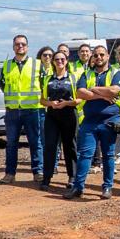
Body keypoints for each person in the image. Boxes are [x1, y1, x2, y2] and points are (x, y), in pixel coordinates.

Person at [68, 44, 120, 200]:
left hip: (109, 121)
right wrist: (102, 95)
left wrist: (92, 89)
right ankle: (78, 188)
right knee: (85, 154)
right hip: (90, 121)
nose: (99, 57)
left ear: (107, 56)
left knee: (108, 155)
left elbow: (114, 90)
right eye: (96, 55)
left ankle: (107, 187)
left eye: (102, 55)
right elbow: (80, 93)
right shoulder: (86, 73)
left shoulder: (116, 73)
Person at [1, 35, 44, 184]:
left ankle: (38, 172)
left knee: (35, 142)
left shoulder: (37, 64)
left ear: (27, 47)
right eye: (17, 44)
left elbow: (43, 84)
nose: (20, 46)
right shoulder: (7, 65)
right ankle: (10, 174)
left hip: (32, 110)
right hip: (12, 110)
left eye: (23, 44)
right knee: (11, 144)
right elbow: (2, 85)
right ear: (13, 47)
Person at [40, 50, 79, 191]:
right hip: (52, 115)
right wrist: (51, 104)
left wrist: (66, 103)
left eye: (62, 59)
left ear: (67, 61)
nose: (59, 61)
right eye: (57, 59)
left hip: (69, 114)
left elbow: (80, 99)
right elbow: (42, 100)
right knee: (50, 146)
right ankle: (46, 178)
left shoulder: (74, 78)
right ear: (53, 62)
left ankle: (72, 177)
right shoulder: (47, 79)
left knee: (70, 146)